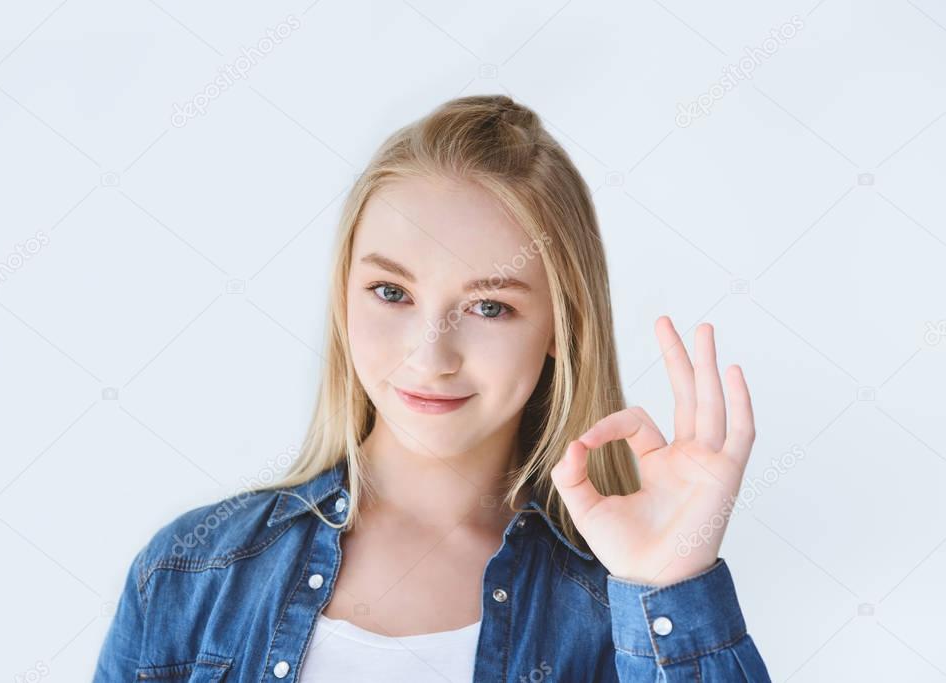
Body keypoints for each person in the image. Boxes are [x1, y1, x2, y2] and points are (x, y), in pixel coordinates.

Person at [94, 95, 771, 681]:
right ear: (343, 296)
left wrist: (671, 586)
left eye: (489, 306)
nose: (431, 353)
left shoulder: (621, 605)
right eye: (391, 292)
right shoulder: (189, 572)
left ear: (561, 325)